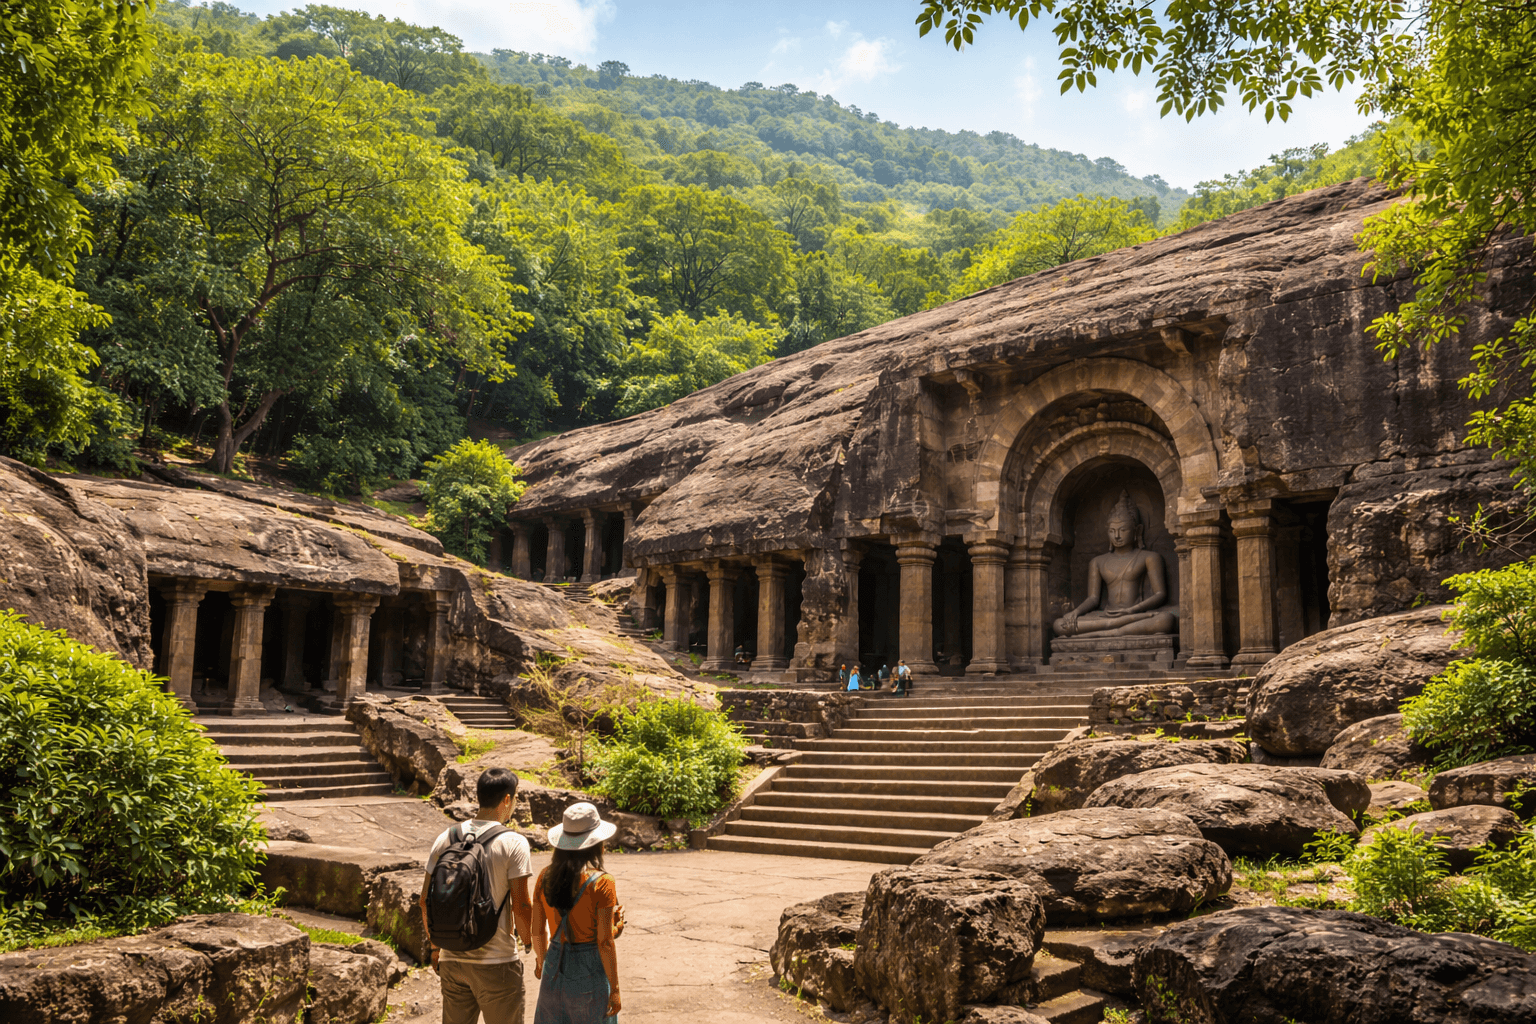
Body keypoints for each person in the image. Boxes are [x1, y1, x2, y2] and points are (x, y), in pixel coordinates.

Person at [420, 768, 533, 1024]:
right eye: (515, 799)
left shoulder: (446, 838)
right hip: (497, 962)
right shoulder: (513, 842)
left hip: (451, 960)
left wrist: (436, 947)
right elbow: (522, 904)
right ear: (507, 799)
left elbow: (424, 899)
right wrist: (528, 942)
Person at [532, 803, 625, 1023]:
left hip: (553, 967)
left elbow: (537, 931)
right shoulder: (602, 882)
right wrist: (615, 989)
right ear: (596, 844)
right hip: (589, 972)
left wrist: (543, 963)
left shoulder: (544, 877)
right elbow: (604, 941)